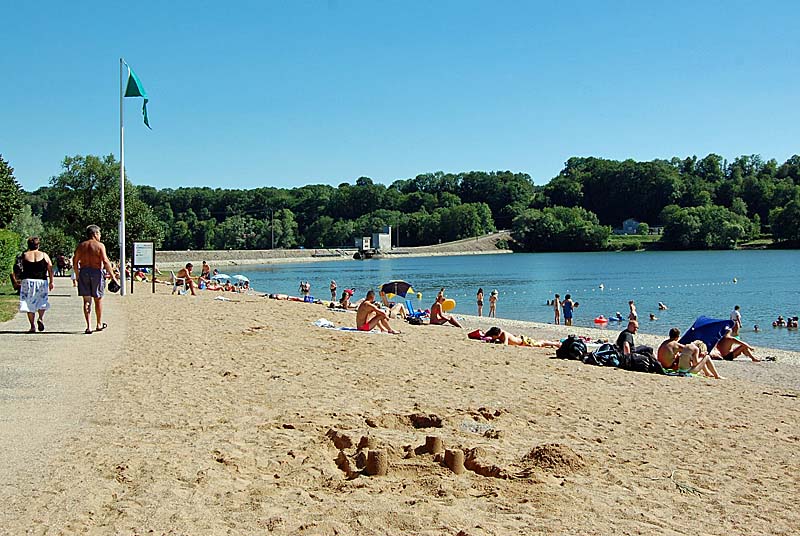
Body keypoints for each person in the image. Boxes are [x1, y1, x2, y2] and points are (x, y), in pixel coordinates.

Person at [72, 225, 119, 334]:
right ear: (95, 234)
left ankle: (88, 326)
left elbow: (75, 262)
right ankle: (98, 323)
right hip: (96, 272)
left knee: (86, 301)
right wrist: (113, 277)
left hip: (84, 271)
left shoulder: (81, 246)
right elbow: (106, 261)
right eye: (99, 234)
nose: (100, 236)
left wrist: (77, 274)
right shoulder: (100, 246)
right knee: (98, 299)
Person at [17, 237, 54, 333]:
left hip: (27, 281)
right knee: (42, 300)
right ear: (38, 245)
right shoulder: (44, 255)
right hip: (41, 281)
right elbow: (50, 268)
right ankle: (40, 318)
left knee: (29, 303)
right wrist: (51, 281)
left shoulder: (24, 255)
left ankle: (32, 326)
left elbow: (18, 267)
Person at [485, 327, 561, 348]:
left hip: (524, 342)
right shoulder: (499, 335)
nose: (493, 337)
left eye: (493, 336)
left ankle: (556, 343)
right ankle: (553, 343)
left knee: (541, 344)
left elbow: (505, 344)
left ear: (496, 334)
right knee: (540, 343)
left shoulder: (504, 334)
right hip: (522, 342)